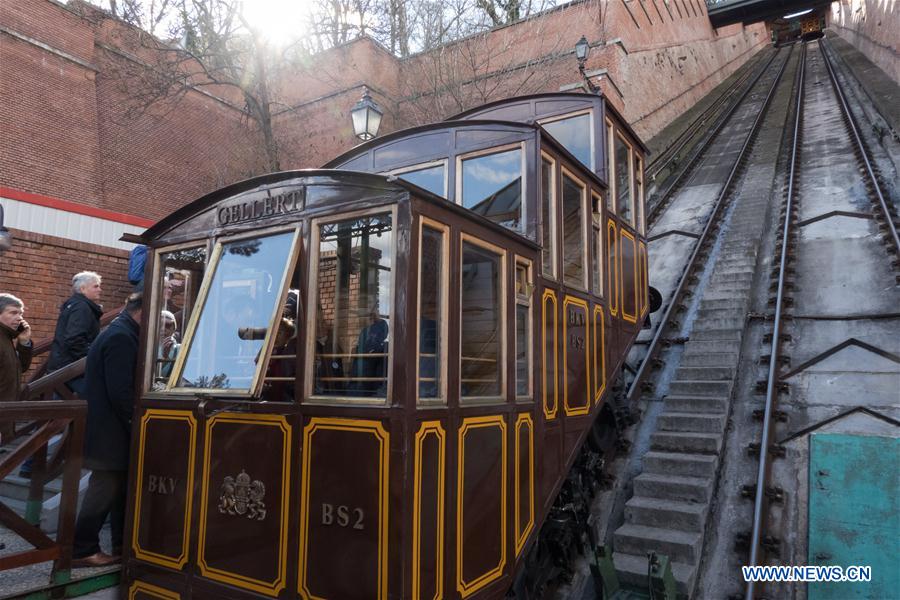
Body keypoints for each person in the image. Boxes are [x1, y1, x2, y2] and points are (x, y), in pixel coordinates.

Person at [71, 292, 142, 567]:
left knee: (114, 489)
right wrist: (136, 421)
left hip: (108, 429)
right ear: (142, 312)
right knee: (103, 490)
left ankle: (119, 546)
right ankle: (82, 549)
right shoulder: (122, 337)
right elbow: (120, 391)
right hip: (109, 431)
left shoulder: (120, 331)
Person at [45, 271, 104, 395]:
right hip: (70, 368)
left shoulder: (75, 305)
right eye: (96, 286)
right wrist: (91, 356)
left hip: (63, 366)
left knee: (62, 406)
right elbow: (74, 338)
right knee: (92, 400)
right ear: (83, 289)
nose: (100, 290)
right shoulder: (81, 307)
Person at [0, 293, 32, 443]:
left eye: (21, 313)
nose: (19, 318)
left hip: (6, 416)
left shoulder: (7, 337)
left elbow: (19, 369)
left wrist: (24, 342)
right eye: (13, 312)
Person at [156, 310, 180, 381]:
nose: (163, 329)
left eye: (168, 325)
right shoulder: (148, 348)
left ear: (173, 329)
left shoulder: (180, 349)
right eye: (160, 325)